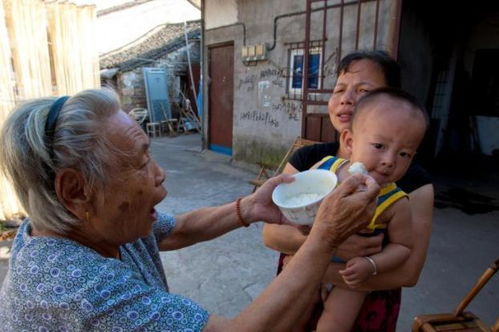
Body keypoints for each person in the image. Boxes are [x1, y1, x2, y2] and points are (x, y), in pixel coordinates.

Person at [0, 88, 380, 331]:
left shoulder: (87, 223)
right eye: (139, 162)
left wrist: (248, 207)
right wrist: (325, 235)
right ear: (76, 190)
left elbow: (176, 229)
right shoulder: (76, 291)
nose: (160, 174)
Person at [262, 50, 435, 331]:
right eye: (340, 89)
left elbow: (409, 270)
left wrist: (316, 265)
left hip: (361, 291)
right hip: (299, 279)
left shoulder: (409, 186)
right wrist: (324, 246)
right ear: (349, 139)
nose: (346, 98)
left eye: (364, 90)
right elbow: (271, 233)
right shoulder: (313, 161)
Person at [313, 88, 428, 331]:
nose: (389, 160)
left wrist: (371, 265)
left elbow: (403, 247)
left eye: (404, 153)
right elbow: (303, 200)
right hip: (313, 260)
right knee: (292, 313)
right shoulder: (326, 169)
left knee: (333, 324)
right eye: (379, 146)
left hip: (352, 276)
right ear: (349, 141)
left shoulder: (396, 202)